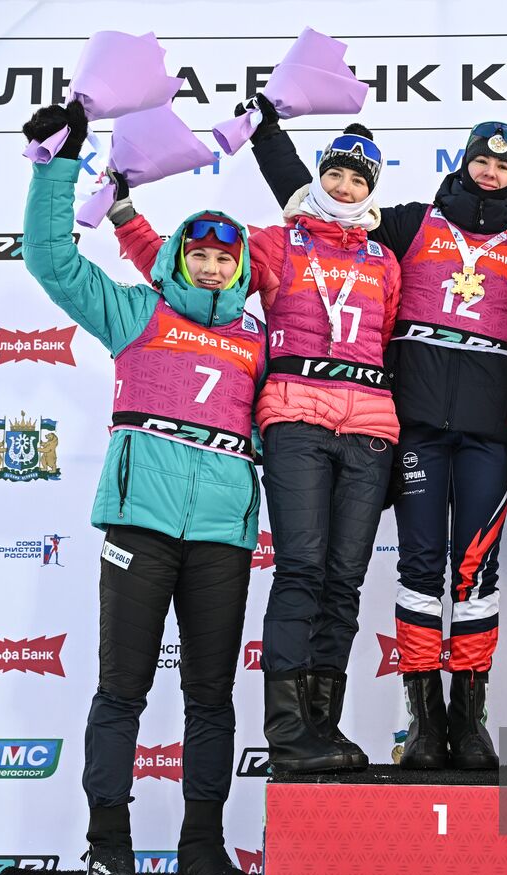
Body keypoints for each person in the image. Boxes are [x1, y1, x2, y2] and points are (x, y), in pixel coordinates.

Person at [244, 96, 507, 769]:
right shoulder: (407, 224)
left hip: (491, 431)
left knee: (475, 571)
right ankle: (424, 719)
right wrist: (267, 134)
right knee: (417, 566)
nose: (489, 172)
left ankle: (470, 717)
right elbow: (318, 199)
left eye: (503, 165)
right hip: (415, 427)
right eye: (481, 159)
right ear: (464, 161)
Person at [20, 102, 266, 875]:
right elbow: (52, 259)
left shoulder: (259, 340)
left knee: (211, 696)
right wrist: (61, 167)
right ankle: (108, 846)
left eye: (228, 255)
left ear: (241, 268)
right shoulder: (136, 311)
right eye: (200, 248)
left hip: (224, 534)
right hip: (142, 525)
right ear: (179, 257)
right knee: (122, 688)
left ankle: (203, 848)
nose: (214, 261)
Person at [111, 123, 401, 775]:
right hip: (297, 416)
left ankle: (324, 726)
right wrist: (127, 217)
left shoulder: (385, 260)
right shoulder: (274, 242)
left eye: (358, 179)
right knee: (301, 568)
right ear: (317, 177)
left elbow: (391, 341)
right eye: (336, 173)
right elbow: (188, 274)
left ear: (371, 190)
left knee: (345, 581)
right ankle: (290, 731)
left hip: (371, 427)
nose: (345, 186)